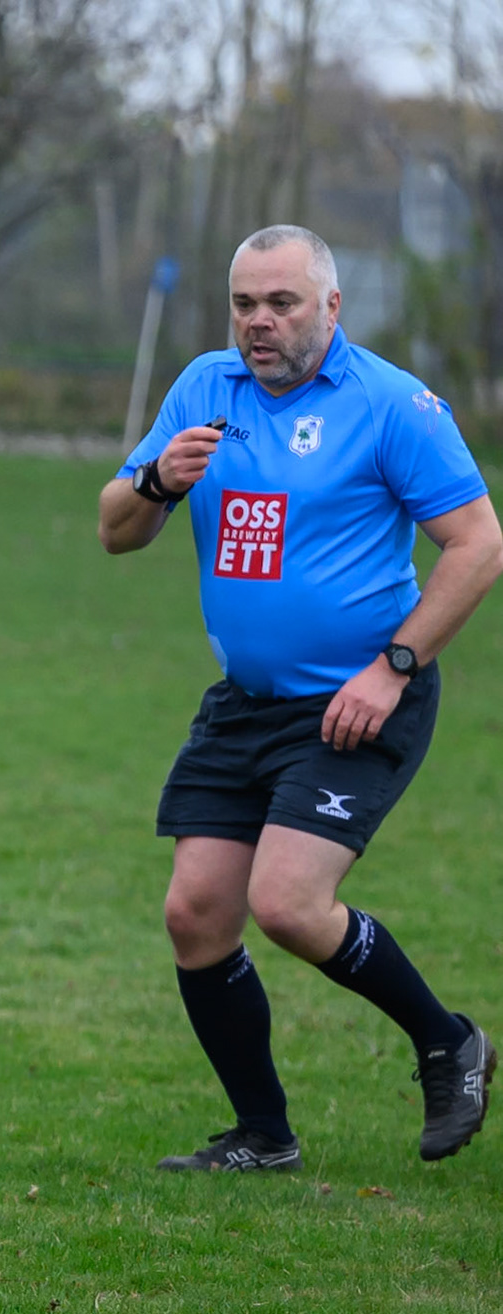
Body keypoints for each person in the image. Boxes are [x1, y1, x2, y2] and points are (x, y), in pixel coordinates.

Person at [99, 224, 503, 1173]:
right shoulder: (204, 386)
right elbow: (117, 530)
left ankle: (449, 1041)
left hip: (359, 700)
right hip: (246, 704)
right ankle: (263, 1135)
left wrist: (391, 667)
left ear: (330, 307)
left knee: (286, 902)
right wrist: (157, 480)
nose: (259, 323)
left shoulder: (392, 404)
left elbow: (480, 545)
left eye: (281, 303)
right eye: (244, 304)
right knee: (196, 915)